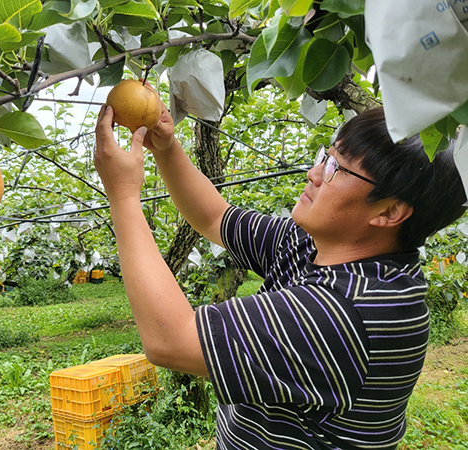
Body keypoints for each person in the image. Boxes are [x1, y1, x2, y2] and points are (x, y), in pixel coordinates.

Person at [94, 97, 467, 449]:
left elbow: (170, 340)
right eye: (326, 155)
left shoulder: (349, 311)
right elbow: (215, 218)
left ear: (388, 212)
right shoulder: (316, 246)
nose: (314, 173)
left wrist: (123, 196)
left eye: (336, 168)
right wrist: (166, 147)